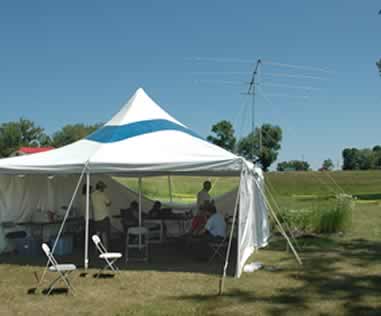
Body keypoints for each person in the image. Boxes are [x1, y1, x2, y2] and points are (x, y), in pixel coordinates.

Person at [91, 181, 112, 248]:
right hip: (104, 217)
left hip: (96, 217)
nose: (104, 189)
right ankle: (105, 250)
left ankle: (96, 249)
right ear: (101, 187)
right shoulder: (102, 194)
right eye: (103, 187)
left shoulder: (92, 195)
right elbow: (108, 203)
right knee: (104, 234)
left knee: (97, 234)